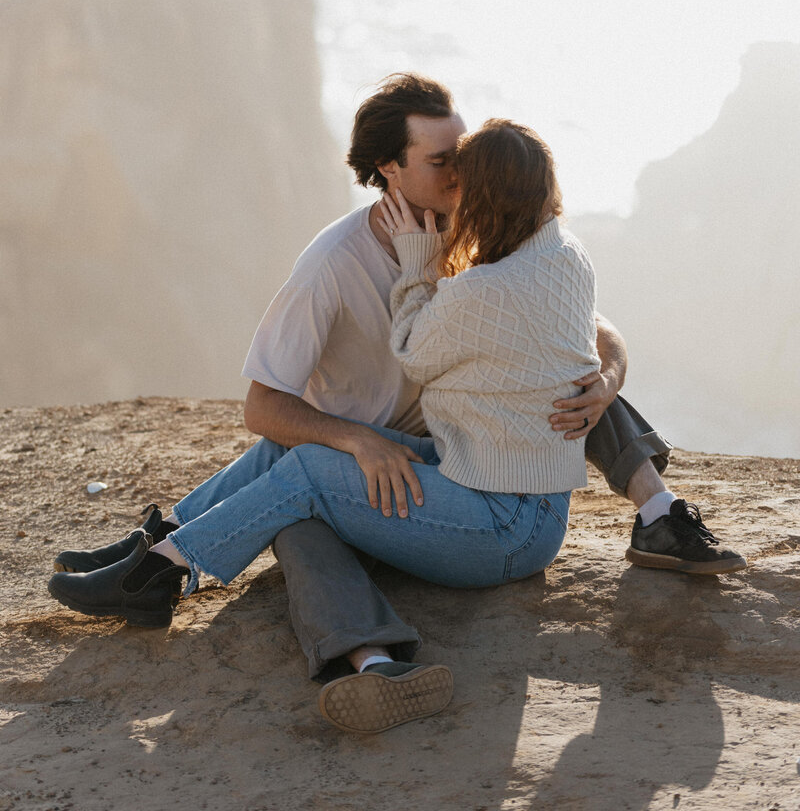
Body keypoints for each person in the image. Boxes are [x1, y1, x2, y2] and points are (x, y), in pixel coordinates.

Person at [48, 74, 745, 734]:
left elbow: (565, 326)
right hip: (430, 458)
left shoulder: (478, 236)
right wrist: (357, 441)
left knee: (567, 387)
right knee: (299, 472)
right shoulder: (333, 265)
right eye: (446, 160)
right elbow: (263, 407)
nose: (460, 173)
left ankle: (162, 571)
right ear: (390, 169)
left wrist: (610, 372)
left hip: (472, 472)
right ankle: (224, 587)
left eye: (466, 157)